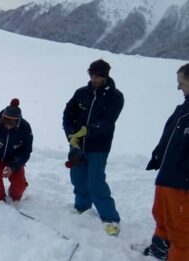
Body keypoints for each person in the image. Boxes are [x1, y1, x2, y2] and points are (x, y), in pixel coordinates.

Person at [62, 59, 123, 236]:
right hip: (77, 146)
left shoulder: (115, 97)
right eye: (91, 75)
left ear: (105, 75)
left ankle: (110, 218)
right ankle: (82, 209)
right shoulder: (81, 93)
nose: (93, 78)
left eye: (97, 75)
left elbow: (107, 122)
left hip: (98, 148)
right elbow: (68, 113)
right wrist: (70, 136)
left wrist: (87, 131)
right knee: (78, 178)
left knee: (96, 182)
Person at [143, 63, 189, 260]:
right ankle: (159, 249)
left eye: (182, 82)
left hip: (182, 182)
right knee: (161, 216)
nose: (179, 87)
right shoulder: (184, 107)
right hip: (167, 175)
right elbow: (170, 136)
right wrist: (158, 156)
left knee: (181, 230)